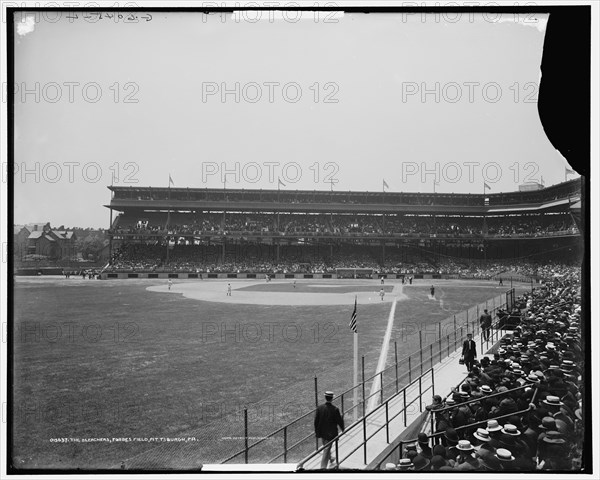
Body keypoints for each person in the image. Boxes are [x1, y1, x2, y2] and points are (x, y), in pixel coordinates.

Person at [314, 391, 345, 469]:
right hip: (331, 434)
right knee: (326, 449)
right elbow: (339, 421)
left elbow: (316, 421)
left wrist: (317, 431)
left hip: (321, 432)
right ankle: (323, 467)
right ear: (332, 399)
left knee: (326, 446)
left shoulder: (319, 408)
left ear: (325, 398)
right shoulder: (335, 409)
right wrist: (343, 429)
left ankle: (331, 458)